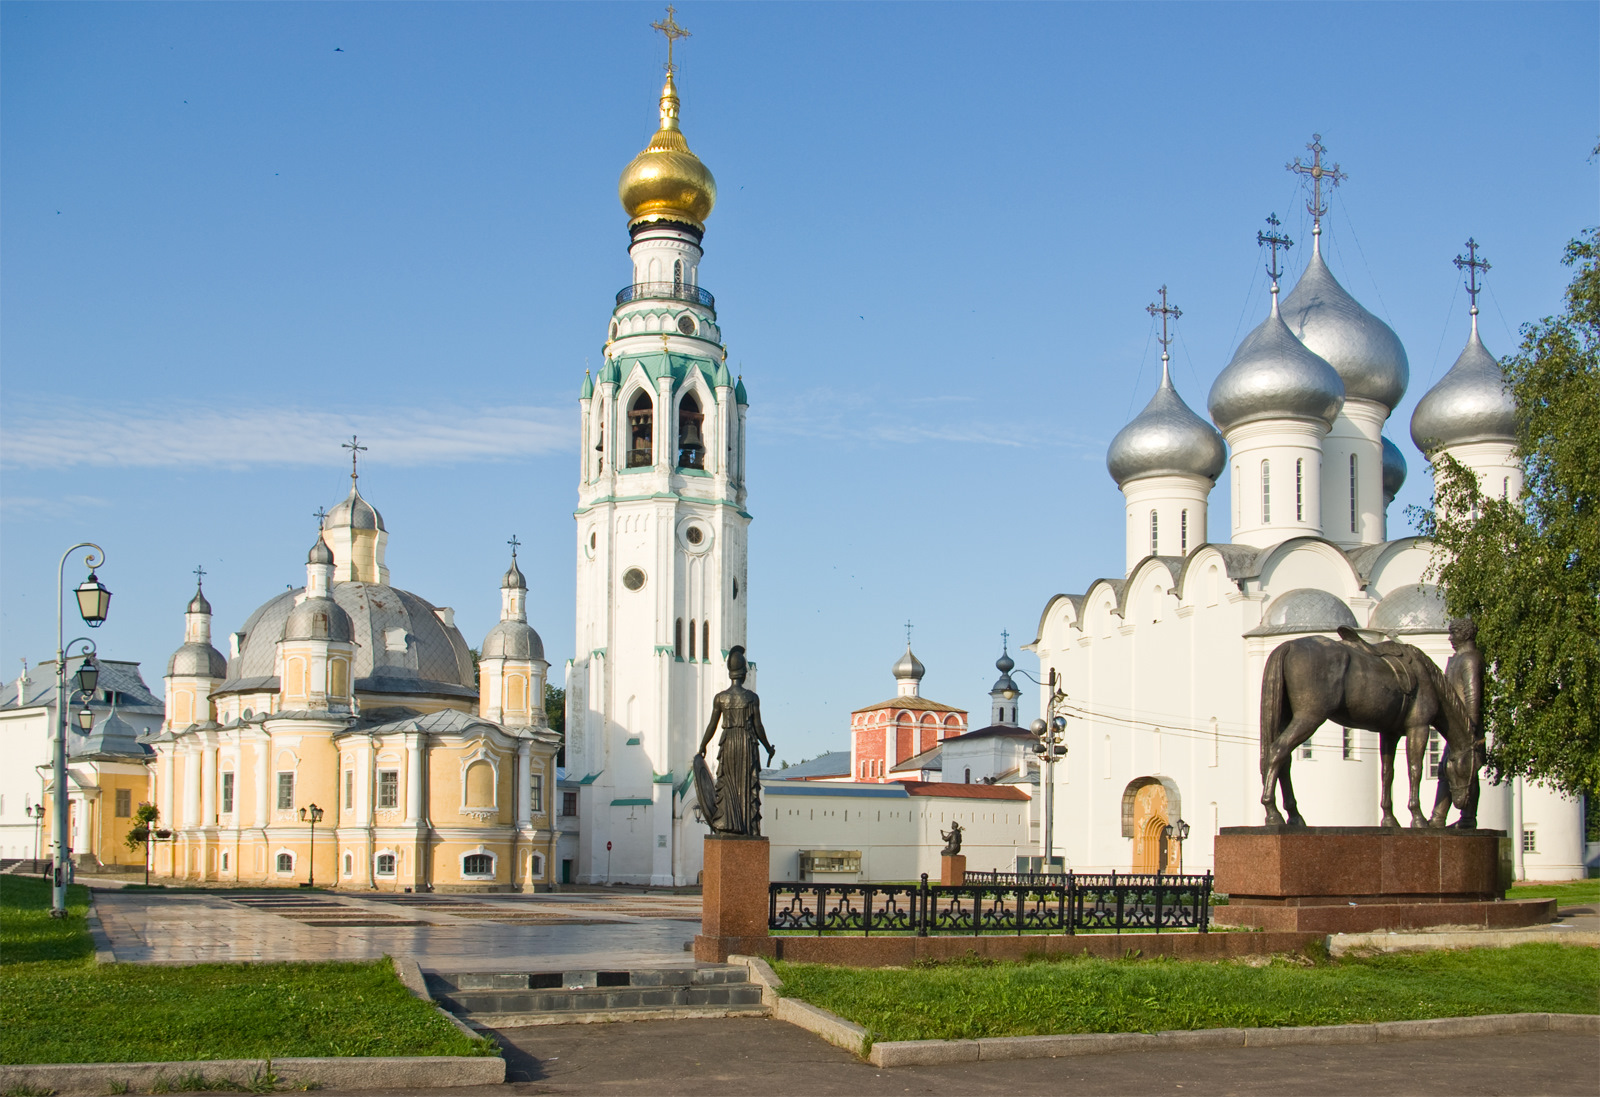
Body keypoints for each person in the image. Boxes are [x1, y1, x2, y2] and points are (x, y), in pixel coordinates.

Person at [695, 646, 775, 837]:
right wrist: (767, 748)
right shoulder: (752, 698)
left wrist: (703, 745)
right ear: (745, 673)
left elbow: (712, 726)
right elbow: (759, 727)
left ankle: (728, 823)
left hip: (729, 744)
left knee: (729, 783)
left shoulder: (720, 698)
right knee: (745, 786)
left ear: (730, 673)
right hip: (747, 744)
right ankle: (746, 827)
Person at [1432, 618, 1486, 827]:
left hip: (1466, 730)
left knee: (1467, 770)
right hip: (1456, 728)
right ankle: (1438, 818)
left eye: (1453, 634)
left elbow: (1472, 696)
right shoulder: (1456, 659)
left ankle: (1467, 818)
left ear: (1464, 634)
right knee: (1447, 769)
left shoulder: (1470, 659)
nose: (1450, 638)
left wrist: (1469, 727)